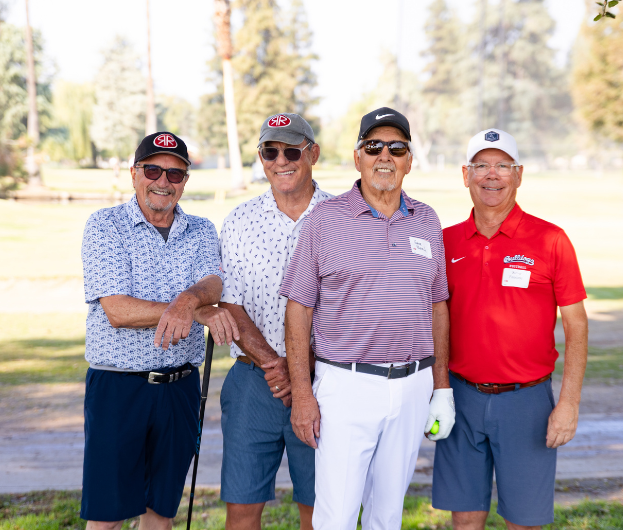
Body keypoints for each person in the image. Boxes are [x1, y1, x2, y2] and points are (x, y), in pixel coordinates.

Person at [280, 107, 457, 529]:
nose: (385, 156)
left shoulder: (428, 220)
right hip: (346, 386)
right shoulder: (325, 220)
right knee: (336, 515)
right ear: (358, 157)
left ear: (409, 161)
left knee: (387, 515)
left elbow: (438, 305)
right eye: (373, 146)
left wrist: (441, 388)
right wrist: (303, 395)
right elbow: (298, 309)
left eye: (397, 148)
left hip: (413, 385)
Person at [80, 131, 239, 530]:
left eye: (175, 173)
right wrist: (195, 312)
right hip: (119, 388)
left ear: (185, 181)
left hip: (180, 389)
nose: (163, 181)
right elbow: (116, 310)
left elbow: (214, 282)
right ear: (134, 173)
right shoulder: (105, 226)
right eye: (153, 169)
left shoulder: (201, 230)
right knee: (106, 517)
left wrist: (189, 301)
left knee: (161, 514)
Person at [432, 129, 589, 530]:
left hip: (527, 403)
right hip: (461, 398)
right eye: (482, 165)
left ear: (519, 175)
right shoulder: (445, 242)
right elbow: (434, 319)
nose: (492, 175)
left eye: (502, 165)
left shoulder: (551, 239)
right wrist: (438, 390)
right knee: (465, 520)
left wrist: (568, 404)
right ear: (465, 175)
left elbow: (576, 324)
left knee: (525, 521)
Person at [218, 113, 332, 530]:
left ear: (313, 153)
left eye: (291, 150)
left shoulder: (341, 217)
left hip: (325, 380)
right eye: (270, 150)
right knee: (242, 509)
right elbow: (230, 304)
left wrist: (301, 372)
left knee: (321, 509)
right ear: (261, 158)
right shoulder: (239, 220)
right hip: (255, 381)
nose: (280, 160)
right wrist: (277, 367)